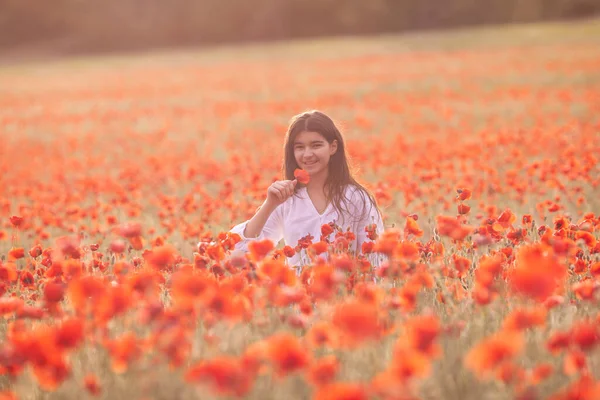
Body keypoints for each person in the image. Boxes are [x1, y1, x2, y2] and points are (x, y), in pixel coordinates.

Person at [229, 110, 385, 268]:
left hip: (345, 290)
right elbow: (240, 249)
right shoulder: (287, 200)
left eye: (316, 145)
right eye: (300, 147)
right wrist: (270, 204)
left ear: (333, 147)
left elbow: (375, 259)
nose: (307, 154)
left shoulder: (356, 197)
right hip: (298, 291)